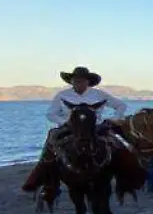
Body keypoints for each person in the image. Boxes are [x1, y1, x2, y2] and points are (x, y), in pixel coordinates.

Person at [21, 67, 133, 203]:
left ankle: (127, 177)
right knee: (51, 142)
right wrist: (65, 122)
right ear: (71, 81)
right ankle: (46, 182)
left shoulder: (99, 95)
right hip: (69, 128)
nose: (78, 82)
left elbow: (121, 105)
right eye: (75, 80)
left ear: (88, 82)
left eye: (81, 80)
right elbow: (51, 114)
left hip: (94, 127)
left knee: (117, 144)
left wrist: (112, 119)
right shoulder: (62, 95)